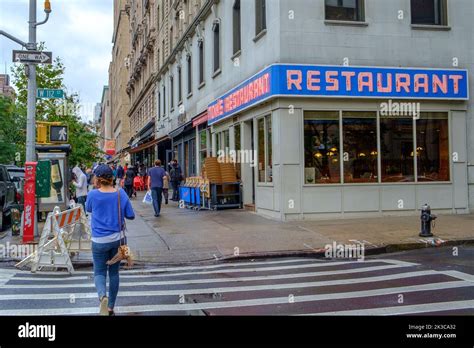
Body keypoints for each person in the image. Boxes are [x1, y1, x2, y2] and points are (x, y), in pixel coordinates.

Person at [86, 164, 135, 316]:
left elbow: (89, 209)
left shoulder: (93, 195)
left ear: (98, 179)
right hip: (118, 240)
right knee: (114, 273)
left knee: (99, 272)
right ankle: (111, 307)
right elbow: (131, 215)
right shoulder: (121, 193)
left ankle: (102, 297)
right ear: (111, 178)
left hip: (99, 241)